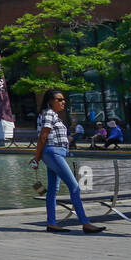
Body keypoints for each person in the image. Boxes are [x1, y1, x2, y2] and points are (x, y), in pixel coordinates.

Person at [32, 90, 105, 234]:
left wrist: (39, 156)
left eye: (63, 99)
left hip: (55, 153)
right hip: (53, 152)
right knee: (74, 187)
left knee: (53, 190)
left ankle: (52, 223)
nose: (63, 102)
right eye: (59, 99)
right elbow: (43, 136)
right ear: (50, 101)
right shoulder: (49, 113)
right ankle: (85, 223)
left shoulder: (52, 115)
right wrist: (37, 157)